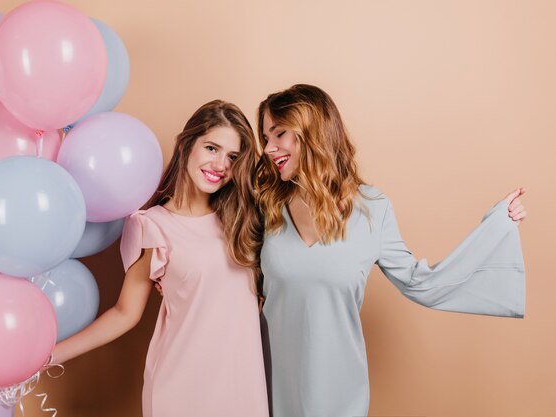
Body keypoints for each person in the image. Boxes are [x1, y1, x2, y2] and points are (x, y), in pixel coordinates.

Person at [254, 84, 526, 417]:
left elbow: (421, 281)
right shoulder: (264, 205)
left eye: (279, 134)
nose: (268, 148)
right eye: (265, 138)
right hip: (268, 391)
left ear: (312, 132)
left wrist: (495, 229)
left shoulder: (372, 209)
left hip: (340, 397)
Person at [53, 100, 269, 417]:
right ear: (186, 144)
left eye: (233, 157)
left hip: (244, 387)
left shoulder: (245, 220)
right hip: (184, 389)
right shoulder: (152, 226)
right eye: (211, 148)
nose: (221, 164)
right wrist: (48, 356)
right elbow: (125, 313)